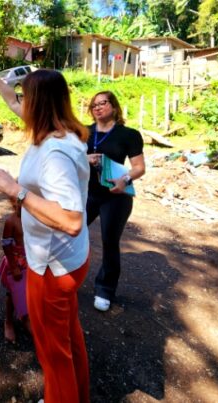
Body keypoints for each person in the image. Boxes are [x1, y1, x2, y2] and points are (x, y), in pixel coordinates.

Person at [0, 68, 91, 403]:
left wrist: (16, 190)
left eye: (24, 96)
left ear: (38, 104)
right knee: (68, 339)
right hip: (68, 260)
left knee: (52, 353)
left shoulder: (55, 152)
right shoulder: (59, 133)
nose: (20, 103)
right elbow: (15, 105)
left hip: (52, 267)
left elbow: (71, 219)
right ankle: (79, 395)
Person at [86, 91, 146, 312]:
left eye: (103, 103)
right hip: (88, 193)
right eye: (94, 105)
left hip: (115, 195)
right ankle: (67, 274)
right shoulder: (84, 132)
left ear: (114, 106)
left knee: (110, 242)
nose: (98, 108)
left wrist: (125, 178)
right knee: (71, 231)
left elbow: (139, 167)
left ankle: (105, 290)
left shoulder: (128, 134)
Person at [0, 200, 29, 343]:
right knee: (12, 293)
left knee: (29, 292)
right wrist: (14, 267)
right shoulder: (12, 221)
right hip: (16, 264)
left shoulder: (35, 218)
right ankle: (8, 321)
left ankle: (25, 316)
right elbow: (6, 245)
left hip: (33, 263)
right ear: (13, 203)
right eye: (19, 203)